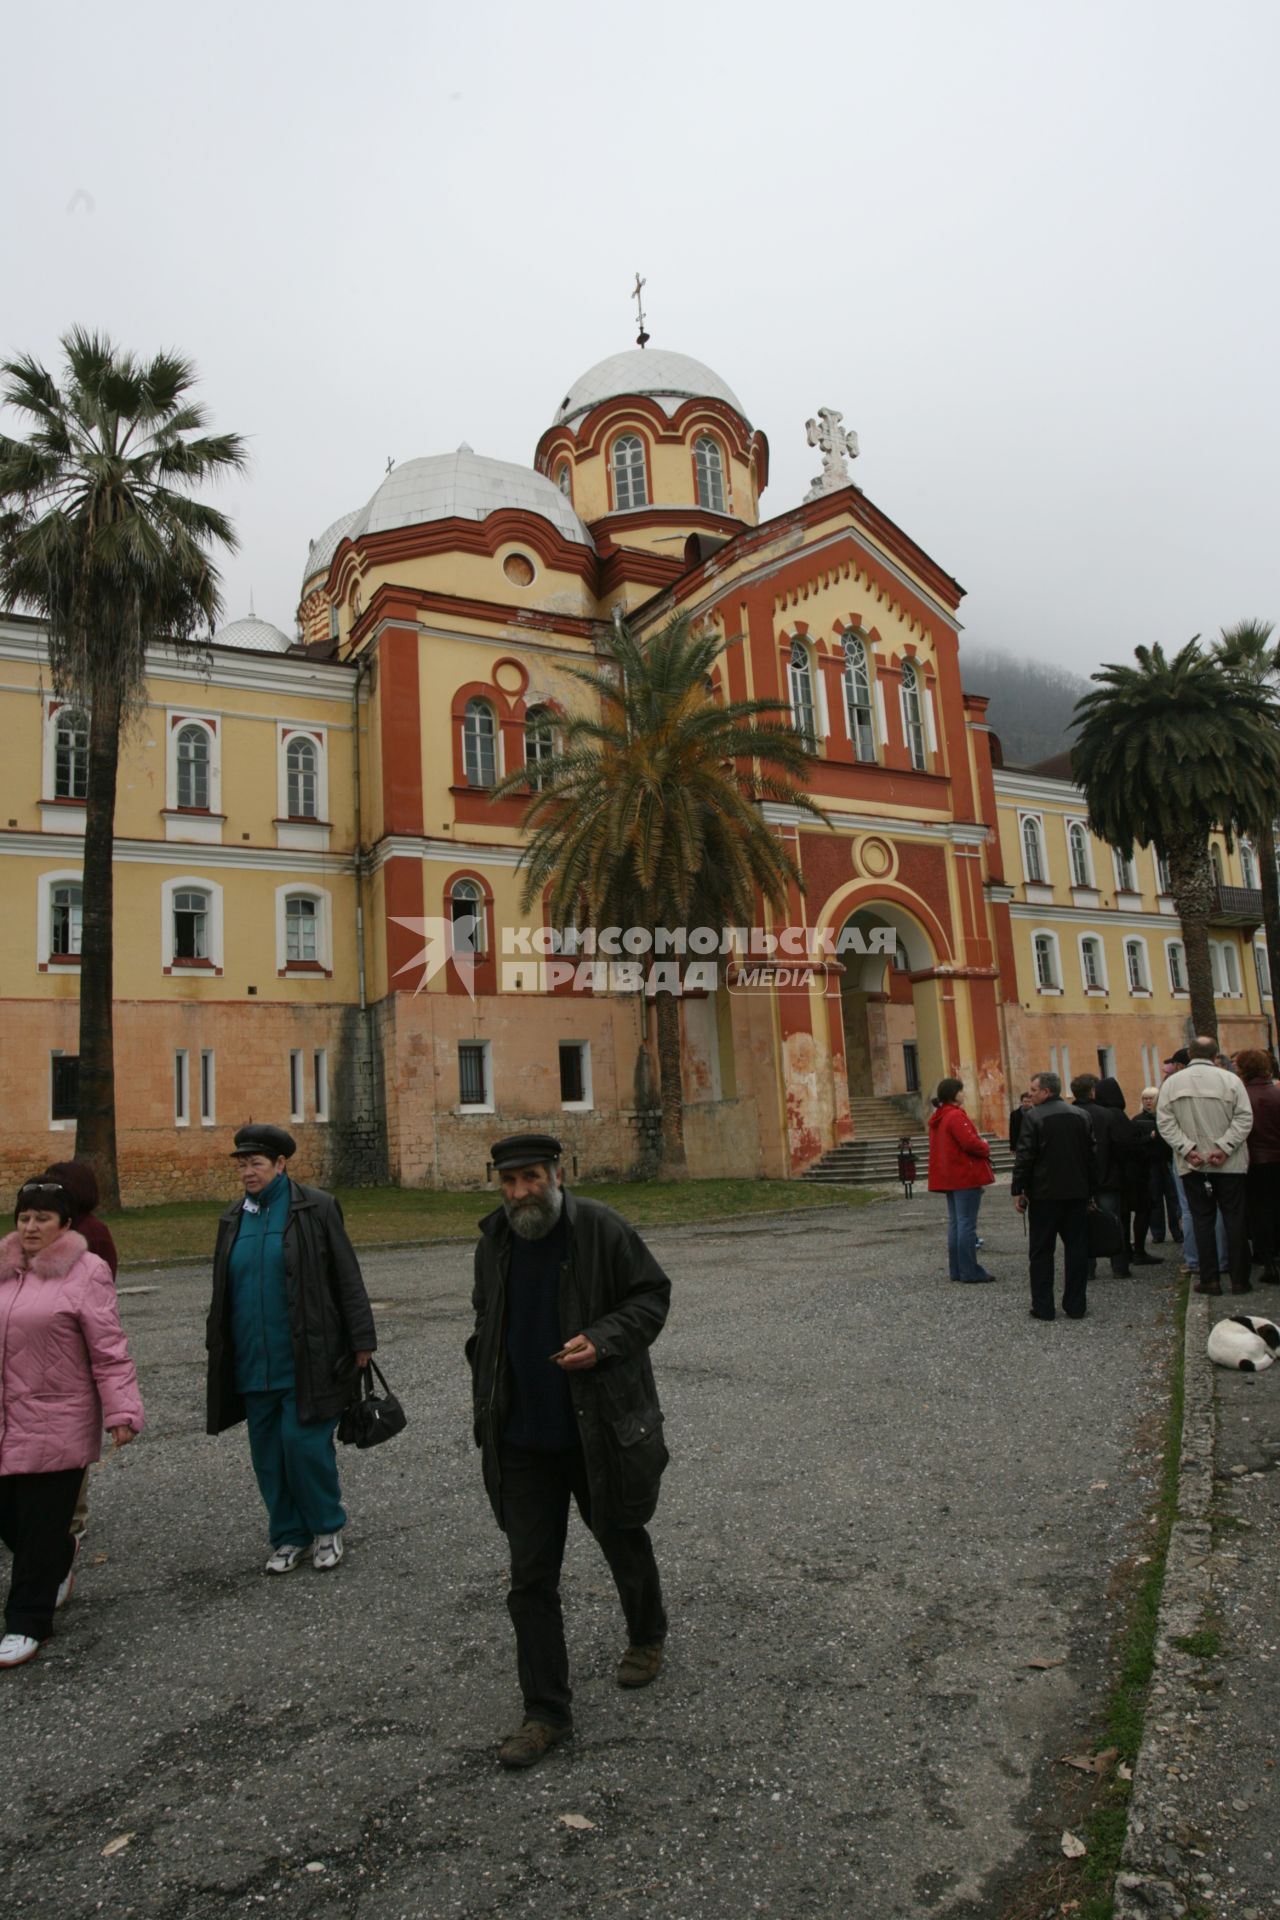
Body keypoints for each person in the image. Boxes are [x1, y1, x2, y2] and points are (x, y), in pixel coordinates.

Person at [468, 1133, 671, 1770]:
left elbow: (651, 1297)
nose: (519, 1194)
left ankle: (647, 1636)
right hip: (523, 1438)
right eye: (509, 1182)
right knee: (530, 1578)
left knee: (621, 1532)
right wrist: (486, 1371)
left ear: (558, 1174)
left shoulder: (602, 1230)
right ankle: (545, 1712)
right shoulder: (495, 1242)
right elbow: (487, 1319)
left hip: (596, 1430)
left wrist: (603, 1339)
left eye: (530, 1179)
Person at [206, 1125, 376, 1573]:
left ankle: (325, 1527)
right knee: (267, 1454)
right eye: (242, 1164)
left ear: (281, 1165)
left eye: (256, 1163)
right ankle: (287, 1535)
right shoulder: (233, 1219)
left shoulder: (315, 1208)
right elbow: (223, 1290)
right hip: (252, 1362)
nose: (247, 1172)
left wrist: (362, 1340)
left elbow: (346, 1277)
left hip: (308, 1359)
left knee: (304, 1448)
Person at [0, 1178, 143, 1668]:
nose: (31, 1227)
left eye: (42, 1218)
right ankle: (59, 1555)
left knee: (39, 1523)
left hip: (58, 1416)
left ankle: (26, 1622)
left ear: (64, 1224)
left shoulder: (86, 1272)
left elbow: (109, 1349)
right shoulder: (4, 1268)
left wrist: (122, 1410)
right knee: (11, 1519)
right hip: (6, 1418)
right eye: (24, 1217)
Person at [42, 1159, 119, 1543]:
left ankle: (73, 1517)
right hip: (43, 1348)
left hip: (74, 1348)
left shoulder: (92, 1234)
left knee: (68, 1437)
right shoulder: (51, 1230)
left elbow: (100, 1294)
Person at [1156, 1038, 1254, 1296]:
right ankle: (1239, 1279)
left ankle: (1209, 1278)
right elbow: (1244, 1117)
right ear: (1215, 1054)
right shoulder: (1230, 1081)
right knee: (1234, 1219)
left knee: (1201, 1219)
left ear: (1189, 1054)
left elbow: (1165, 1122)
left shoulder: (1173, 1083)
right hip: (1229, 1163)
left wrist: (1187, 1149)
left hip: (1194, 1163)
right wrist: (1224, 1147)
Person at [1011, 1071, 1098, 1320]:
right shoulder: (1081, 1115)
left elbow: (1025, 1156)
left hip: (1045, 1194)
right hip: (1076, 1193)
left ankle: (1043, 1306)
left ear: (1046, 1092)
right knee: (1076, 1249)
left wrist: (1019, 1190)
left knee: (1041, 1252)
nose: (1030, 1094)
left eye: (1034, 1090)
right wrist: (1092, 1190)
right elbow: (1092, 1156)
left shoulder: (1033, 1117)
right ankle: (1076, 1304)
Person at [927, 1079, 996, 1282]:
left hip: (950, 1175)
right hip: (965, 1175)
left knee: (956, 1224)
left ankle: (957, 1269)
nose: (964, 1094)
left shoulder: (940, 1117)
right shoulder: (956, 1116)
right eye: (961, 1091)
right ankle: (969, 1270)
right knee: (966, 1224)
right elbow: (969, 1143)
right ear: (954, 1093)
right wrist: (984, 1145)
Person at [1071, 1075, 1134, 1278]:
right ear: (1092, 1091)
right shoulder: (1107, 1115)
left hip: (1080, 1180)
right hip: (1107, 1176)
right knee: (1113, 1221)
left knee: (1082, 1224)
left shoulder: (1070, 1115)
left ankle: (1088, 1268)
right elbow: (1121, 1146)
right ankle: (1120, 1266)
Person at [1236, 1049, 1280, 1285]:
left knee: (1258, 1213)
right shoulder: (1276, 1093)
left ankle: (1267, 1259)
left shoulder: (1243, 1097)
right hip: (1276, 1159)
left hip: (1253, 1161)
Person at [1127, 1090, 1166, 1265]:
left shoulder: (1163, 1118)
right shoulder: (1136, 1120)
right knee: (1153, 1200)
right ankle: (1157, 1233)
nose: (1148, 1101)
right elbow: (1134, 1143)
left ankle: (1176, 1232)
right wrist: (1148, 1138)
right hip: (1148, 1164)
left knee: (1171, 1198)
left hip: (1165, 1162)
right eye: (1145, 1098)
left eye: (1151, 1098)